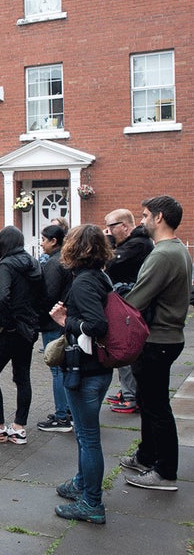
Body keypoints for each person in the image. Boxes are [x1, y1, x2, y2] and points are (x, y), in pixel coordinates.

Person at [120, 195, 192, 492]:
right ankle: (146, 456)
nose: (142, 221)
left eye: (146, 215)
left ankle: (165, 471)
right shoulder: (178, 250)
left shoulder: (163, 254)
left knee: (157, 407)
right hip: (166, 337)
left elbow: (136, 300)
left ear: (159, 217)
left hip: (158, 338)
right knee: (150, 404)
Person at [48, 224, 114, 525]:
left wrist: (65, 320)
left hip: (86, 372)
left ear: (74, 248)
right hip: (98, 370)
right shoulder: (101, 277)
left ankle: (92, 503)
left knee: (88, 438)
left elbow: (97, 325)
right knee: (85, 435)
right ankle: (81, 483)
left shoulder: (85, 282)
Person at [0, 226, 42, 445]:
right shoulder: (34, 264)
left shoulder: (6, 265)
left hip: (9, 331)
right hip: (28, 330)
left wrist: (6, 323)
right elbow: (44, 294)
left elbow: (2, 296)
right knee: (23, 377)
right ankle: (19, 428)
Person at [102, 208, 153, 414]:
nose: (107, 232)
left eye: (111, 227)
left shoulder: (137, 244)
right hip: (128, 304)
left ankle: (131, 396)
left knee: (127, 348)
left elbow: (110, 264)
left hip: (131, 307)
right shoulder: (134, 243)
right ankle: (129, 392)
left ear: (124, 226)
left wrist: (108, 245)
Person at [36, 225, 74, 433]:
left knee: (57, 369)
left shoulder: (53, 263)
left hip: (52, 321)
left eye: (44, 239)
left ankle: (61, 417)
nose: (41, 243)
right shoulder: (67, 261)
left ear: (53, 241)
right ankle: (68, 411)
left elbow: (48, 294)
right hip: (65, 319)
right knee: (64, 367)